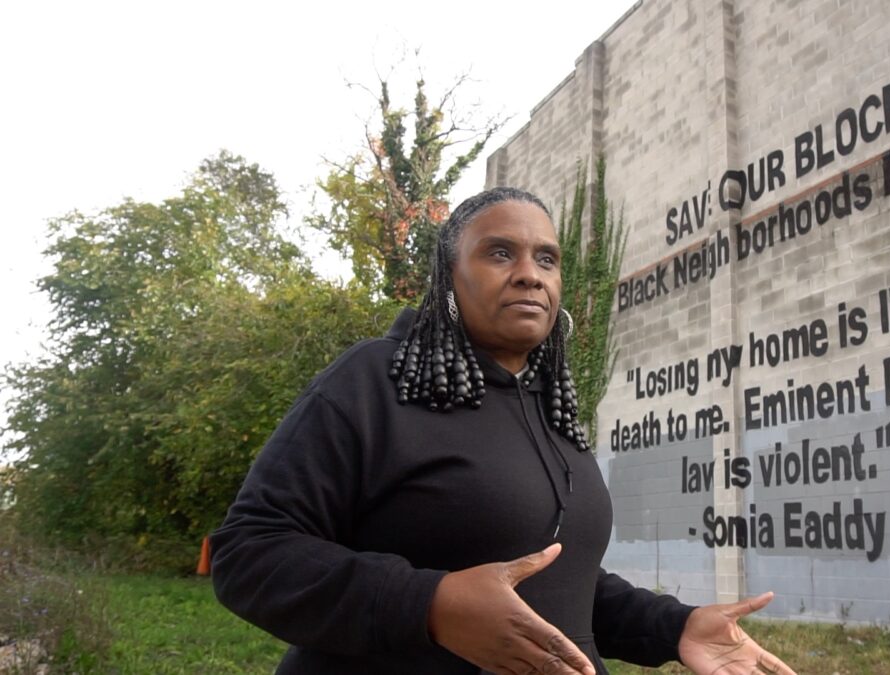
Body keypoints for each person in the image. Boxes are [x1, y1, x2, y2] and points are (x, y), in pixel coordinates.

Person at [211, 187, 796, 674]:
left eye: (546, 259)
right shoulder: (372, 381)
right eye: (499, 254)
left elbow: (558, 579)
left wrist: (675, 626)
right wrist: (430, 605)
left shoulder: (552, 409)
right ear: (450, 274)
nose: (529, 276)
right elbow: (250, 552)